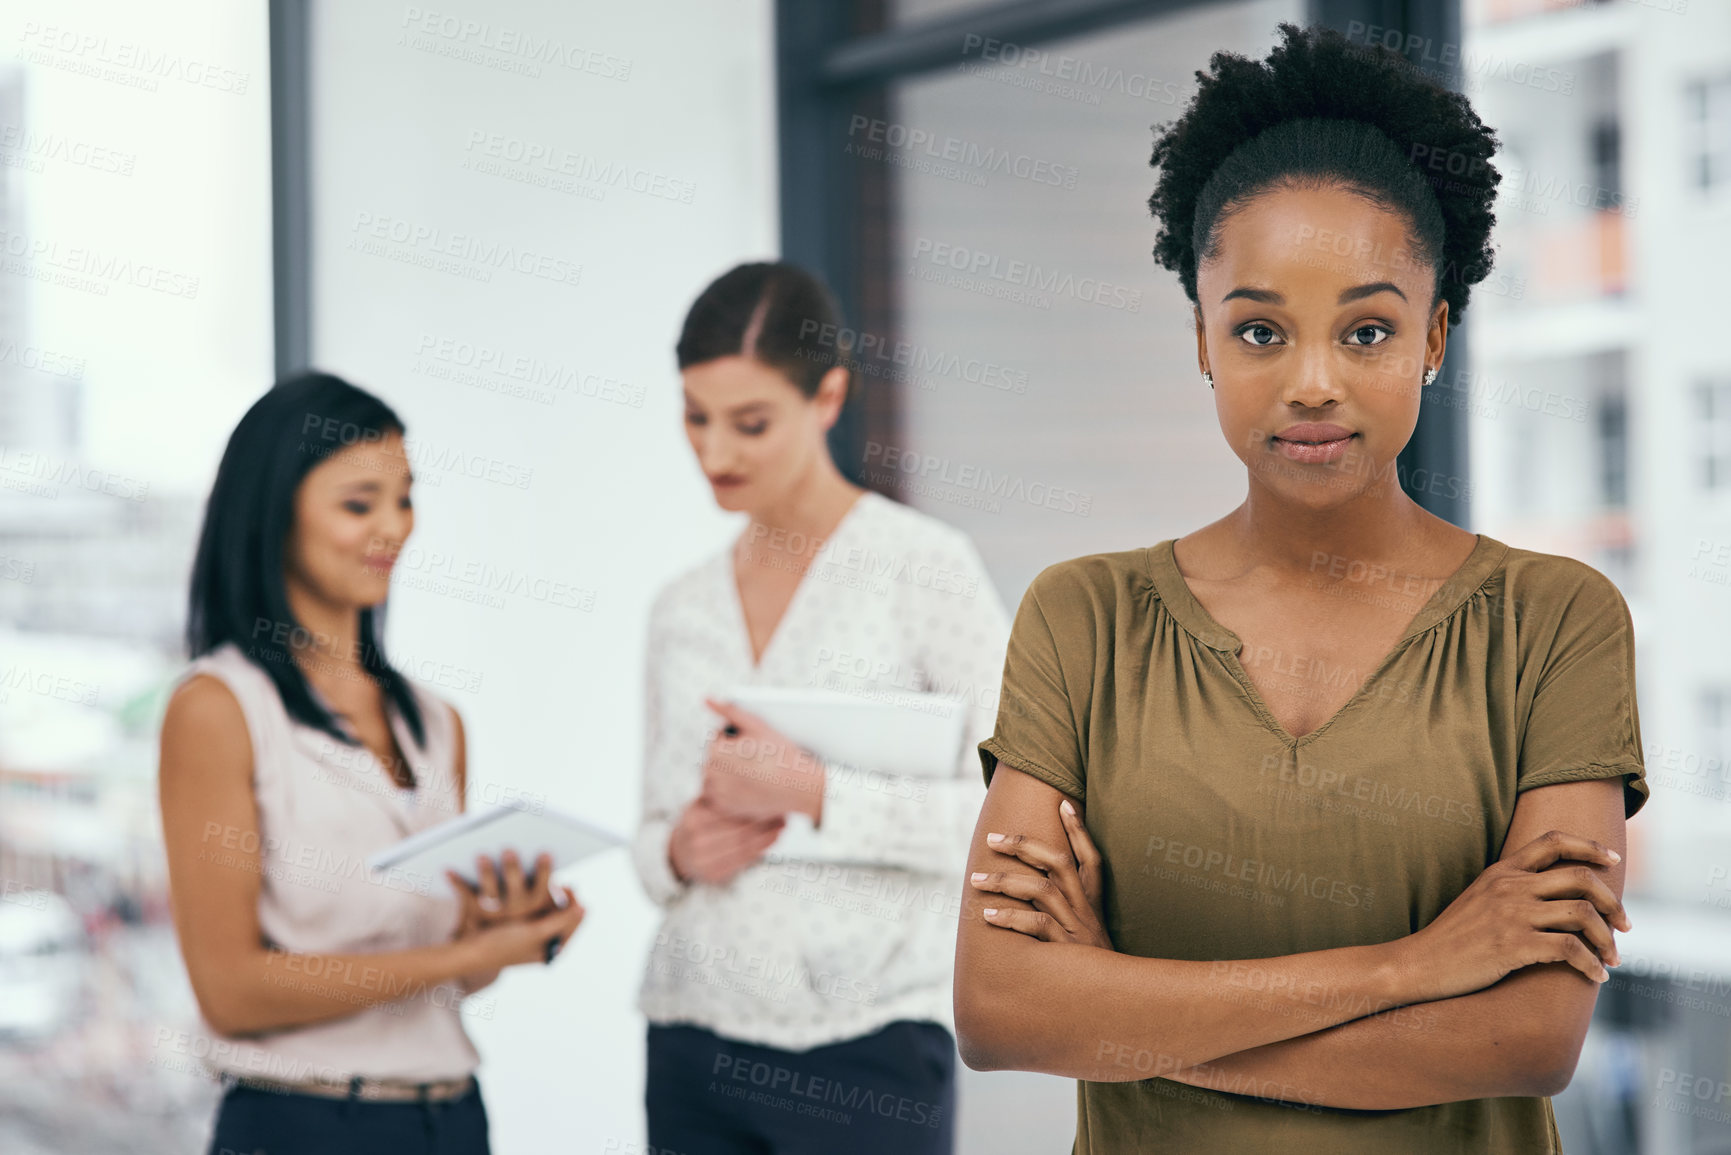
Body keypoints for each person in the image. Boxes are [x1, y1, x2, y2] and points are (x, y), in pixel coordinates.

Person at [952, 23, 1647, 1154]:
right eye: (1262, 330)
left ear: (1435, 335)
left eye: (1366, 330)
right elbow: (1000, 1012)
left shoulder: (1552, 623)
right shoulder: (1083, 618)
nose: (1313, 383)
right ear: (1202, 343)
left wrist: (1112, 1002)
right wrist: (1416, 966)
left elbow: (1524, 1040)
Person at [632, 262, 1011, 1154]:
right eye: (696, 417)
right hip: (692, 1037)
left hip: (869, 1044)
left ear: (828, 396)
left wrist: (817, 794)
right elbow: (651, 841)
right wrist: (679, 849)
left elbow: (1013, 824)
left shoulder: (927, 567)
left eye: (750, 423)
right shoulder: (680, 607)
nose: (715, 453)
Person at [159, 372, 586, 1155]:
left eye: (405, 498)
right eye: (359, 503)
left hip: (449, 1119)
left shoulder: (435, 722)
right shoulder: (219, 708)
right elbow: (231, 992)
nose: (392, 527)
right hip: (304, 1125)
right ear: (275, 510)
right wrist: (464, 953)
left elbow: (448, 975)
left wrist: (502, 935)